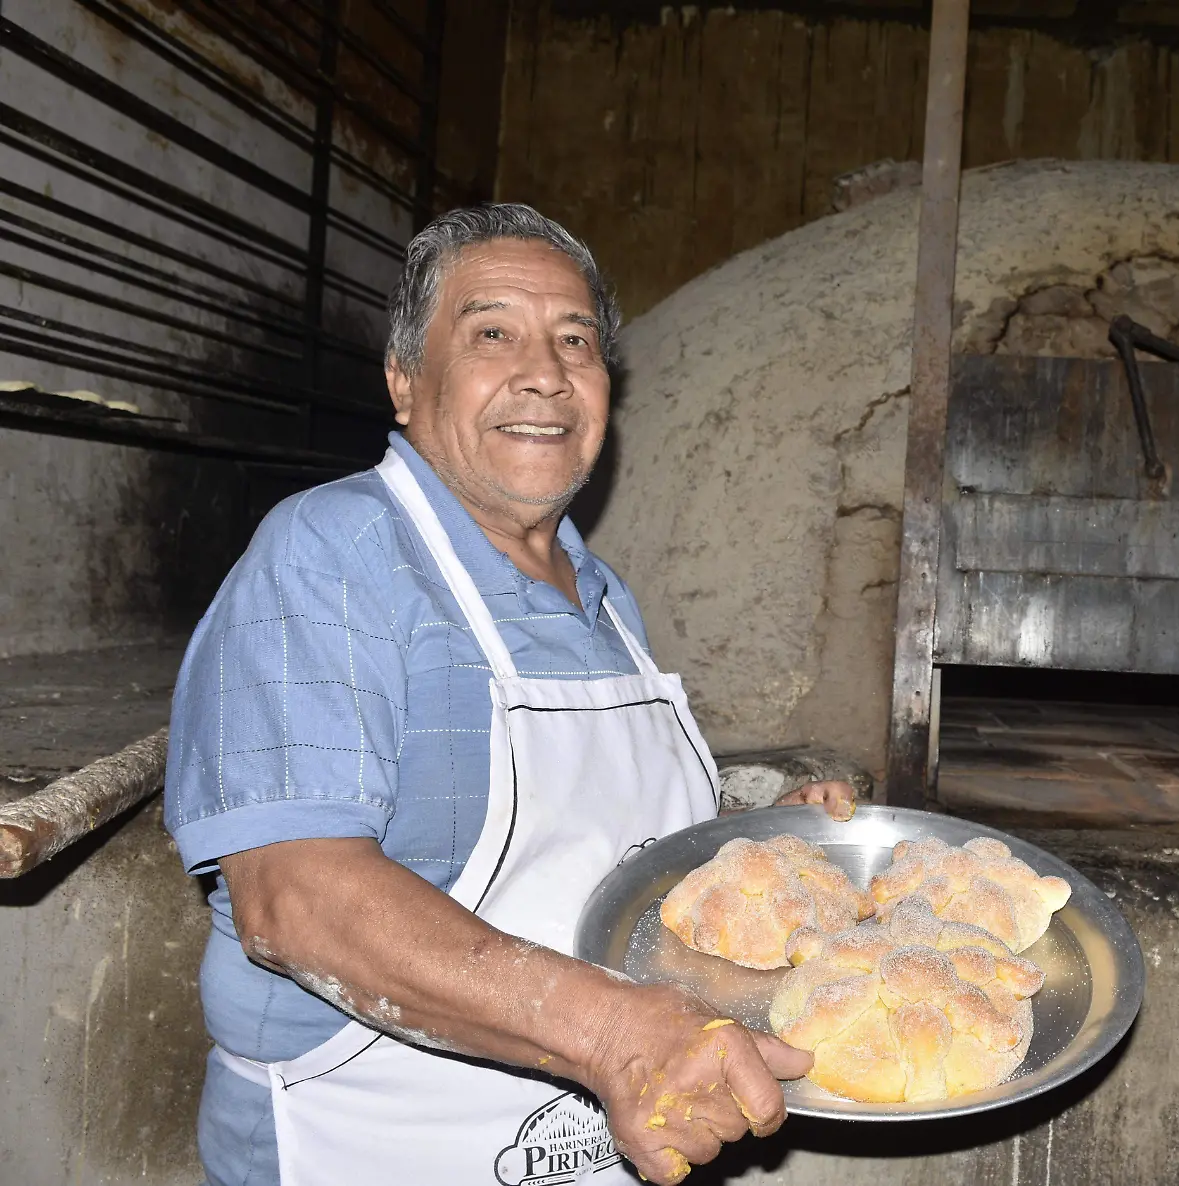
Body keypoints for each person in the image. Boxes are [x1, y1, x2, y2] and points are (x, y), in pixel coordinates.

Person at [163, 204, 856, 1186]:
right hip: (377, 1150)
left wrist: (750, 850)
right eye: (492, 333)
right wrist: (612, 1032)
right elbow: (296, 898)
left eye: (576, 340)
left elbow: (605, 867)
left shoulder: (604, 599)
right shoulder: (334, 555)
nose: (546, 370)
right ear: (405, 382)